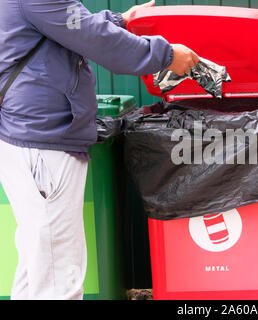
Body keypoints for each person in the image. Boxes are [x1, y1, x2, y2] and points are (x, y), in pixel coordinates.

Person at [0, 0, 199, 300]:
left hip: (30, 136)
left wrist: (116, 19)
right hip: (44, 140)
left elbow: (66, 26)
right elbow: (90, 36)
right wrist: (166, 55)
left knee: (38, 266)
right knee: (57, 277)